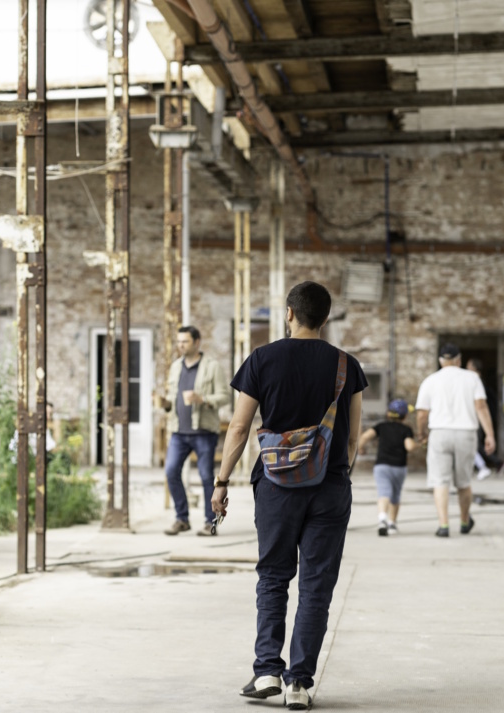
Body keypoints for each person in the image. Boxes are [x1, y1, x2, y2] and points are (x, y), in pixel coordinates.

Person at [216, 281, 366, 710]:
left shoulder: (262, 359)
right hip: (330, 485)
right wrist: (335, 471)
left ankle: (266, 672)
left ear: (288, 313)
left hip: (277, 487)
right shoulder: (345, 365)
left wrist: (221, 481)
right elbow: (354, 436)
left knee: (274, 576)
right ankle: (298, 683)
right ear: (326, 317)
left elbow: (240, 428)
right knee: (317, 585)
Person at [415, 343, 496, 537]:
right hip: (465, 433)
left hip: (440, 433)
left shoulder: (430, 380)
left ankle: (443, 525)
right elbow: (481, 407)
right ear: (459, 360)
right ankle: (464, 520)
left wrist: (421, 433)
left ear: (440, 361)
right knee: (464, 482)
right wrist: (490, 435)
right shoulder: (472, 378)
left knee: (440, 482)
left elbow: (421, 414)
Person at [157, 325, 229, 537]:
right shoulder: (176, 366)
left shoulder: (211, 366)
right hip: (178, 431)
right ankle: (182, 519)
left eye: (185, 341)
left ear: (197, 342)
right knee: (170, 471)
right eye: (179, 341)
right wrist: (165, 403)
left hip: (204, 431)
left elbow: (224, 396)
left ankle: (210, 522)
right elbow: (172, 399)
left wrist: (203, 399)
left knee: (207, 476)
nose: (181, 345)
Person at [358, 398, 416, 536]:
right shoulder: (406, 430)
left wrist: (360, 447)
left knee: (384, 492)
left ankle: (382, 518)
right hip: (399, 467)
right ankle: (392, 524)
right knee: (395, 495)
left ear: (389, 414)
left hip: (382, 465)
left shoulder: (381, 426)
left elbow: (365, 436)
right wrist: (418, 444)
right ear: (405, 416)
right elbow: (409, 446)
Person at [465, 358, 504, 480]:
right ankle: (484, 466)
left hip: (477, 418)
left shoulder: (476, 381)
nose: (466, 368)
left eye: (468, 365)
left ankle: (491, 464)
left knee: (475, 444)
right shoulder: (475, 380)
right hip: (477, 417)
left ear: (474, 367)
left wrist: (490, 433)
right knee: (474, 444)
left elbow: (481, 405)